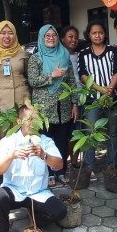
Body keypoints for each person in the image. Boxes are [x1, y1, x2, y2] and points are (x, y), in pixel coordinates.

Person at [0, 105, 67, 232]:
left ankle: (35, 217)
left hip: (38, 192)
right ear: (19, 122)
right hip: (14, 190)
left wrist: (44, 155)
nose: (33, 123)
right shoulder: (7, 141)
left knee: (59, 212)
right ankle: (2, 230)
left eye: (36, 119)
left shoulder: (44, 141)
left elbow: (59, 165)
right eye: (29, 119)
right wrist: (11, 156)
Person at [28, 25, 78, 186]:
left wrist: (75, 103)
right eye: (47, 35)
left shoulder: (64, 56)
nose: (51, 38)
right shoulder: (35, 58)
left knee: (62, 140)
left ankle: (61, 170)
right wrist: (52, 75)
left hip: (63, 106)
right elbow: (33, 80)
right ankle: (48, 172)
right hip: (44, 108)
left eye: (54, 35)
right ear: (42, 38)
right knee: (46, 140)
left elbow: (71, 81)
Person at [78, 20, 117, 176]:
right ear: (89, 35)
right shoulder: (83, 53)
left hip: (112, 97)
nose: (97, 35)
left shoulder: (113, 51)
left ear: (105, 34)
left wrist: (109, 90)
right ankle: (89, 168)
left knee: (112, 133)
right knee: (90, 132)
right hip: (92, 99)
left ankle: (112, 165)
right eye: (94, 33)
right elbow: (83, 76)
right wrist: (101, 90)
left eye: (100, 32)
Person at [0, 20, 30, 112]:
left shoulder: (21, 51)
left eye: (10, 33)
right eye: (3, 33)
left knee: (22, 126)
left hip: (21, 100)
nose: (7, 36)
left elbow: (28, 74)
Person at [60, 25, 82, 167]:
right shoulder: (59, 57)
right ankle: (62, 163)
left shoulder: (80, 56)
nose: (73, 40)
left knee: (77, 133)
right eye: (70, 37)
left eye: (75, 37)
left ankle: (74, 164)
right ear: (62, 39)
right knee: (66, 135)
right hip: (65, 101)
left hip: (80, 99)